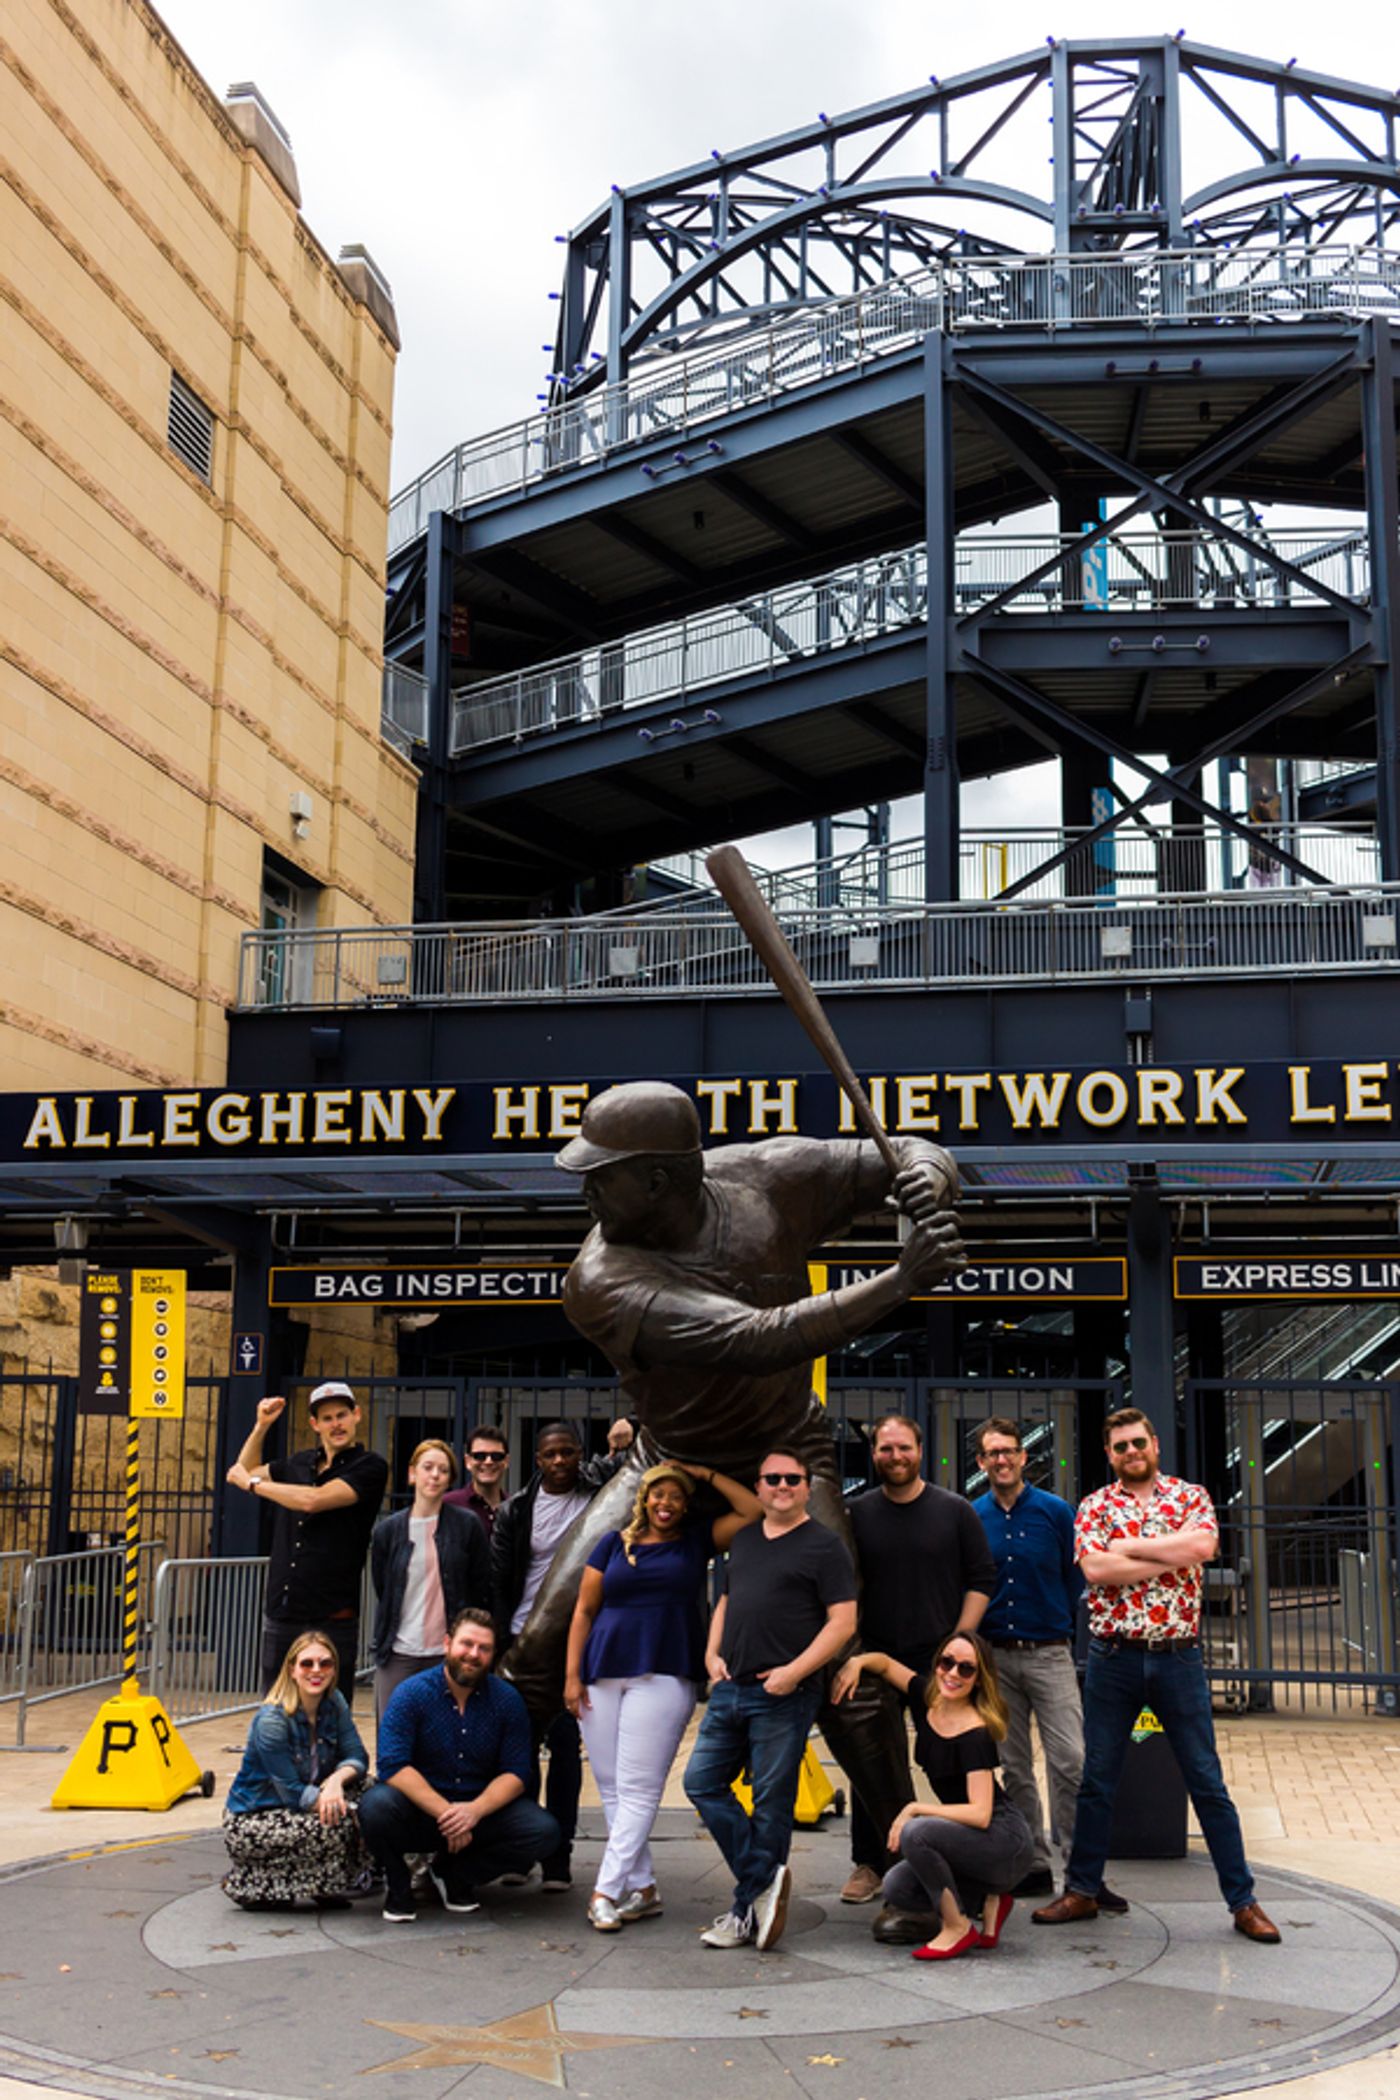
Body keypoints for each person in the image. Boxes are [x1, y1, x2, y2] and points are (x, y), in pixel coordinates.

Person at [505, 1081, 963, 1860]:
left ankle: (902, 1862)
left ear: (659, 1179)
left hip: (786, 1453)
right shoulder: (599, 1279)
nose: (585, 1191)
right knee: (541, 1648)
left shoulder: (767, 1175)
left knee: (842, 1662)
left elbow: (915, 1152)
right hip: (669, 1460)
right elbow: (759, 1339)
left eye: (601, 1174)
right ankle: (481, 1824)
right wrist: (901, 1280)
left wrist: (926, 1177)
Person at [1033, 1408, 1281, 1944]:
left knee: (1206, 1781)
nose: (1131, 1452)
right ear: (1109, 1454)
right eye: (1120, 1446)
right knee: (1097, 1780)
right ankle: (1083, 1889)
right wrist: (1170, 1556)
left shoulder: (1190, 1497)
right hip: (1113, 1658)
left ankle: (1243, 1901)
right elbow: (1096, 1569)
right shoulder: (1095, 1506)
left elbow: (1203, 1547)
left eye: (1138, 1442)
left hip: (1178, 1658)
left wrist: (1128, 1548)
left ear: (1155, 1444)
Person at [563, 1459, 761, 1932]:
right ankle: (644, 1887)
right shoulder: (612, 1543)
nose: (665, 1503)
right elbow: (584, 1610)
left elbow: (752, 1511)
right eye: (658, 1494)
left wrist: (704, 1472)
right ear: (644, 1499)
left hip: (664, 1670)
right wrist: (571, 1676)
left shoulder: (695, 1542)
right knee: (611, 1786)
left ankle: (606, 1891)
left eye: (676, 1496)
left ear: (686, 1505)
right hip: (602, 1669)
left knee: (638, 1788)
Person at [683, 1449, 857, 1951]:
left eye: (792, 1479)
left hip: (785, 1693)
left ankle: (745, 1912)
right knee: (700, 1782)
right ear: (758, 1487)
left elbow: (842, 1622)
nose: (782, 1486)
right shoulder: (744, 1539)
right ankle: (763, 1882)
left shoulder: (824, 1546)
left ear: (806, 1487)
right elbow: (725, 1600)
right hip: (730, 1687)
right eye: (773, 1479)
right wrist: (712, 1653)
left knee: (771, 1804)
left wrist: (793, 1673)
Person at [840, 1412, 997, 1918]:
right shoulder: (857, 1513)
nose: (895, 1457)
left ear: (920, 1451)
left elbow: (981, 1579)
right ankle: (870, 1862)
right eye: (886, 1449)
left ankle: (966, 1860)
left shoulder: (955, 1511)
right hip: (875, 1657)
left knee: (950, 1763)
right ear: (874, 1454)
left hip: (939, 1664)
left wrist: (958, 1644)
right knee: (871, 1762)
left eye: (903, 1447)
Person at [971, 1416, 1120, 1905]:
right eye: (992, 1453)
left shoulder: (1057, 1512)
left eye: (1009, 1451)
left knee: (1071, 1761)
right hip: (996, 1658)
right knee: (1014, 1766)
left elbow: (1075, 1577)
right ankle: (1031, 1863)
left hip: (1049, 1654)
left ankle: (1082, 1872)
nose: (1002, 1460)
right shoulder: (973, 1517)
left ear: (1022, 1456)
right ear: (981, 1462)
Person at [491, 1418, 630, 1890]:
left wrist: (624, 1438)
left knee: (567, 1751)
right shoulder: (516, 1510)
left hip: (579, 1642)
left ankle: (558, 1858)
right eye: (550, 1454)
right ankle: (520, 1849)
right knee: (521, 1755)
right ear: (537, 1460)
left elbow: (635, 1471)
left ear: (580, 1454)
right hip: (524, 1639)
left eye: (567, 1452)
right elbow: (500, 1582)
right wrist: (502, 1646)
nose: (559, 1461)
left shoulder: (596, 1494)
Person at [834, 1631, 1033, 1959]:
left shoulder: (975, 1733)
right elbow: (886, 1665)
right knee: (897, 1886)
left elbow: (981, 1813)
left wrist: (915, 1808)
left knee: (917, 1832)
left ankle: (957, 1926)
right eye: (947, 1662)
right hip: (971, 1840)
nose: (953, 1674)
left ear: (979, 1679)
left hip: (1004, 1843)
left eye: (966, 1669)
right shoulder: (927, 1698)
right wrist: (857, 1662)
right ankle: (987, 1897)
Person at [358, 1607, 561, 1922]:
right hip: (421, 1811)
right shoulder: (411, 1694)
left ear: (493, 1655)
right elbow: (392, 1765)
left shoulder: (507, 1700)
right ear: (447, 1644)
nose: (473, 1654)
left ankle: (456, 1875)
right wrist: (446, 1813)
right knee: (375, 1806)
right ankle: (399, 1884)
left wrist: (473, 1812)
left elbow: (517, 1772)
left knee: (543, 1831)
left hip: (479, 1814)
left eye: (484, 1648)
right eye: (467, 1644)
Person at [227, 1380, 388, 1704]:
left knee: (330, 1710)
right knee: (276, 1707)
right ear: (315, 1424)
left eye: (342, 1415)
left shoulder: (370, 1466)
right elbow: (244, 1469)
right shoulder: (299, 1463)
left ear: (356, 1415)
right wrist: (261, 1426)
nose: (336, 1424)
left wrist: (254, 1485)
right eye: (327, 1418)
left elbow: (313, 1500)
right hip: (284, 1610)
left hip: (332, 1614)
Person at [222, 1630, 371, 1910]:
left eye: (325, 1663)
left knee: (374, 1796)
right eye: (307, 1664)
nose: (316, 1671)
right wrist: (341, 1806)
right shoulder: (272, 1721)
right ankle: (260, 1886)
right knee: (342, 1822)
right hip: (257, 1816)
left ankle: (322, 1882)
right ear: (292, 1670)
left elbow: (358, 1757)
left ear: (334, 1669)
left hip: (309, 1800)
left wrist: (336, 1781)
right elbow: (292, 1793)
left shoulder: (335, 1702)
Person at [370, 1439, 491, 1720]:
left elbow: (479, 1585)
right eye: (428, 1467)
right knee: (394, 1729)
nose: (435, 1475)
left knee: (448, 1731)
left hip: (448, 1653)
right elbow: (383, 1586)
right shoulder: (388, 1531)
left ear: (450, 1480)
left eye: (443, 1470)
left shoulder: (467, 1525)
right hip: (398, 1650)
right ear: (412, 1473)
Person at [443, 1423, 510, 1535]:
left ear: (506, 1461)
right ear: (467, 1461)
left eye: (496, 1456)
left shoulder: (516, 1509)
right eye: (479, 1456)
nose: (488, 1462)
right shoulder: (448, 1505)